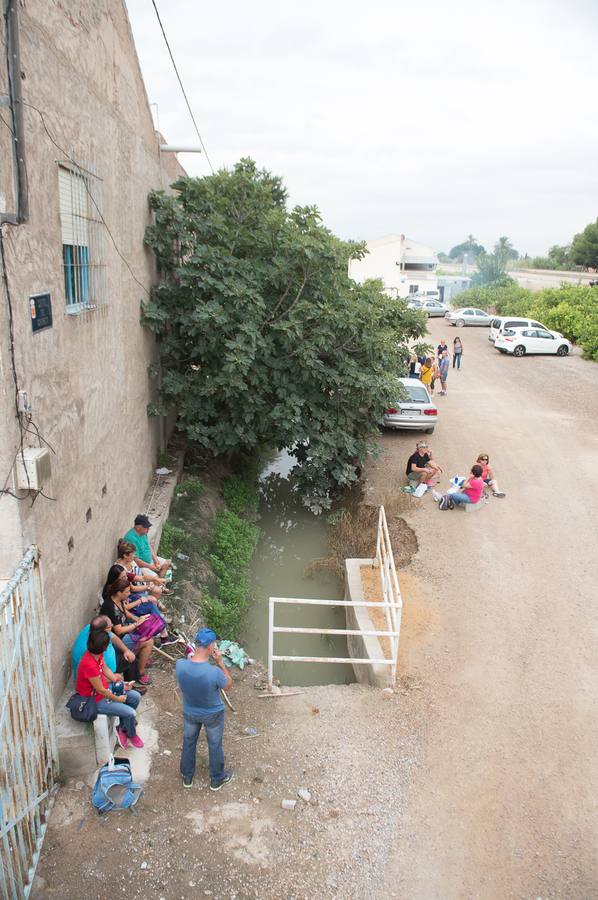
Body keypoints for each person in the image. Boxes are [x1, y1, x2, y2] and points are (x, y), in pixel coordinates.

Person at [176, 627, 233, 791]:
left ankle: (187, 777)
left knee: (188, 742)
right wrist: (221, 662)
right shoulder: (214, 672)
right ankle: (216, 779)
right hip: (212, 714)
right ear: (210, 648)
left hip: (190, 712)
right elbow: (228, 685)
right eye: (214, 645)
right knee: (214, 744)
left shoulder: (180, 665)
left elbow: (189, 663)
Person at [76, 627, 144, 749]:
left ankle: (122, 728)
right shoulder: (89, 664)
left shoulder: (97, 654)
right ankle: (131, 734)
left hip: (104, 689)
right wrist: (118, 699)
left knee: (135, 697)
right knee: (130, 713)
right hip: (94, 700)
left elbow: (105, 669)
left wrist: (118, 682)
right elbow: (100, 690)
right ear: (105, 647)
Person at [99, 574, 160, 686]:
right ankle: (140, 673)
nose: (129, 594)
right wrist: (137, 624)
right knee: (148, 641)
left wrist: (136, 618)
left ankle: (140, 656)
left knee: (147, 631)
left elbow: (125, 612)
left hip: (124, 632)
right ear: (119, 592)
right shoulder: (110, 607)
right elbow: (118, 631)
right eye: (127, 592)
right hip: (115, 640)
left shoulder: (118, 600)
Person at [122, 514, 171, 579]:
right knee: (155, 578)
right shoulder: (131, 539)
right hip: (141, 566)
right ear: (138, 527)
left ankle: (160, 583)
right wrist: (151, 567)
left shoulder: (143, 533)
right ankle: (158, 583)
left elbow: (148, 545)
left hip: (149, 560)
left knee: (166, 564)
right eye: (146, 528)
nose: (148, 529)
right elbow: (136, 560)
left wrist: (155, 560)